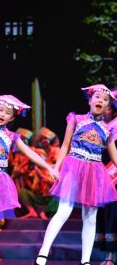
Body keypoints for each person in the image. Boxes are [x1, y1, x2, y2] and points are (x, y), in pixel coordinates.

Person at [0, 95, 59, 265]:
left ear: (12, 118)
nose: (2, 113)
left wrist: (49, 167)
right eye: (0, 110)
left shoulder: (12, 137)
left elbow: (30, 153)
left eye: (7, 112)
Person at [34, 84, 117, 265]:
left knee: (90, 215)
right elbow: (64, 146)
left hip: (95, 170)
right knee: (64, 210)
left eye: (105, 100)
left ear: (107, 106)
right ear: (90, 100)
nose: (100, 101)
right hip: (74, 165)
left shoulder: (107, 129)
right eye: (97, 97)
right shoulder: (76, 119)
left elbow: (114, 153)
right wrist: (56, 168)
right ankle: (43, 253)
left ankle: (85, 261)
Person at [95, 89, 117, 265]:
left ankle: (111, 257)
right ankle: (107, 256)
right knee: (104, 215)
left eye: (108, 107)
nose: (104, 110)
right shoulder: (98, 126)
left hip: (114, 176)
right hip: (101, 176)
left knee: (113, 215)